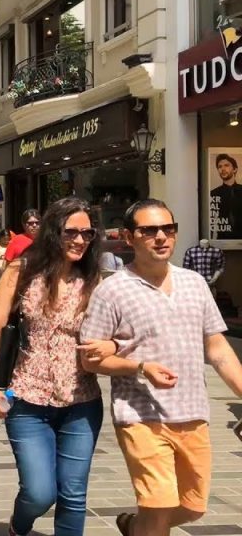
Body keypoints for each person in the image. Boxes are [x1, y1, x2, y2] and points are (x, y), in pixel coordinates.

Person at [80, 199, 242, 536]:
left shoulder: (194, 283)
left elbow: (217, 348)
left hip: (193, 413)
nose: (161, 237)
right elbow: (90, 359)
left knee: (193, 507)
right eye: (149, 230)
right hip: (141, 416)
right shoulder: (111, 291)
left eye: (168, 229)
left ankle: (133, 526)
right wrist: (139, 367)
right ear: (129, 237)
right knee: (158, 506)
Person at [0, 197, 105, 536]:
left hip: (82, 402)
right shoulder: (22, 271)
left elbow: (116, 332)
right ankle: (18, 527)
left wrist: (111, 347)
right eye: (71, 232)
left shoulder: (94, 279)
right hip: (27, 401)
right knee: (39, 493)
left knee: (73, 495)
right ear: (53, 231)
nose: (79, 240)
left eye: (87, 234)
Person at [210, 153, 242, 239]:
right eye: (219, 167)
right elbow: (210, 222)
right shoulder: (213, 194)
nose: (222, 169)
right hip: (222, 240)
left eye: (226, 165)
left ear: (235, 169)